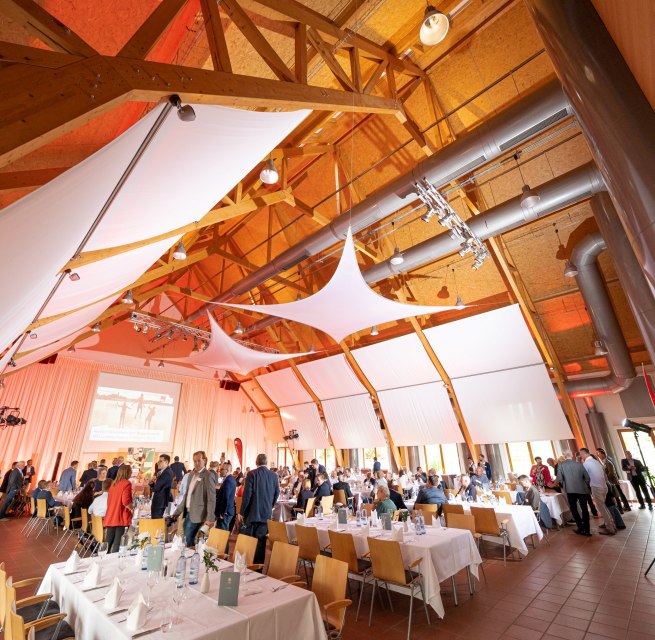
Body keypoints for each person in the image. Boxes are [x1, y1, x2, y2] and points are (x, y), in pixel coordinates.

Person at [239, 453, 280, 564]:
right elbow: (277, 492)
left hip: (252, 514)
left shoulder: (251, 474)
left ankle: (249, 566)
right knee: (261, 543)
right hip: (266, 513)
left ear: (256, 462)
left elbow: (247, 495)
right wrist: (270, 505)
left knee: (250, 542)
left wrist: (241, 512)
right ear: (266, 463)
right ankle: (259, 568)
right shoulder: (273, 475)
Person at [172, 451, 215, 548]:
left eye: (199, 461)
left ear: (205, 460)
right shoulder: (191, 475)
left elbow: (211, 499)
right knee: (186, 541)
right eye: (195, 461)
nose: (196, 463)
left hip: (198, 515)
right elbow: (186, 496)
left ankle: (190, 556)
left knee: (187, 541)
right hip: (187, 514)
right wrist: (176, 513)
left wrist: (210, 518)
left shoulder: (208, 475)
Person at [580, 449, 616, 535]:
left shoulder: (586, 463)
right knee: (604, 507)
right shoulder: (596, 461)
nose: (581, 456)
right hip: (604, 486)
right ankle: (611, 524)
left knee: (602, 508)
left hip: (597, 487)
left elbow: (584, 476)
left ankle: (610, 528)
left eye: (581, 454)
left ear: (584, 454)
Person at [557, 454, 592, 536]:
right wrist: (586, 485)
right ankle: (587, 530)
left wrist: (565, 486)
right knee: (584, 509)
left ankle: (580, 528)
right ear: (571, 456)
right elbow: (587, 477)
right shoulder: (579, 464)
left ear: (565, 457)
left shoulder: (561, 465)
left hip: (570, 490)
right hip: (582, 489)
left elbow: (560, 479)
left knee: (574, 509)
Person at [104, 464, 133, 552]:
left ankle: (103, 558)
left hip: (111, 514)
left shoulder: (113, 483)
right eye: (131, 471)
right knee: (118, 543)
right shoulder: (126, 483)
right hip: (121, 515)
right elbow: (126, 501)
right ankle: (114, 559)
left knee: (108, 542)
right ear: (127, 472)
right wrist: (132, 508)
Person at [596, 448, 630, 512]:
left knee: (618, 494)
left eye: (598, 453)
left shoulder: (608, 462)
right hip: (610, 481)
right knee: (616, 495)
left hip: (613, 481)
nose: (598, 455)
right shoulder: (602, 462)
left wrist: (605, 478)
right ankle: (620, 508)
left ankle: (623, 508)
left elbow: (611, 473)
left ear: (603, 454)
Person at [215, 463, 236, 535]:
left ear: (227, 471)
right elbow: (223, 493)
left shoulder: (228, 480)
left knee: (222, 533)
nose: (219, 471)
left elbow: (226, 498)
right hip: (226, 511)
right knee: (220, 532)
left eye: (221, 469)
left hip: (226, 512)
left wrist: (222, 512)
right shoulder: (229, 479)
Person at [150, 454, 173, 519]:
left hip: (160, 502)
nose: (158, 463)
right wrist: (151, 483)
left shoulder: (167, 472)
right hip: (159, 502)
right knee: (155, 521)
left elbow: (156, 488)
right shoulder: (164, 472)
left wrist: (151, 483)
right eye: (158, 461)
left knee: (156, 521)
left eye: (160, 461)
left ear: (166, 462)